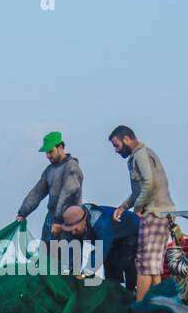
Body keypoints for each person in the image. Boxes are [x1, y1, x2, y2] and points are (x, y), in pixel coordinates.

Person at [109, 125, 175, 300]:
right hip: (159, 212)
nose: (116, 150)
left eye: (116, 145)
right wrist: (123, 207)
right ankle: (157, 303)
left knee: (145, 264)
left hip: (155, 212)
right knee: (153, 265)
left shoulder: (141, 155)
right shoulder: (139, 155)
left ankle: (140, 307)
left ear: (126, 139)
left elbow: (149, 184)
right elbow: (139, 191)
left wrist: (138, 208)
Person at [16, 131, 84, 245]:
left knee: (68, 259)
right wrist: (22, 213)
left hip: (69, 222)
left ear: (61, 147)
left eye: (50, 151)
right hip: (51, 220)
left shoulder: (72, 167)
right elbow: (37, 193)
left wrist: (58, 221)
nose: (48, 155)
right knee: (45, 258)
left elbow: (68, 194)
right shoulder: (49, 171)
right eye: (46, 152)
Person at [62, 203, 139, 291]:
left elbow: (100, 252)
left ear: (84, 221)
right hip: (114, 234)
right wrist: (66, 269)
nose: (73, 233)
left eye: (75, 229)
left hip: (131, 230)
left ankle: (132, 291)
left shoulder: (101, 223)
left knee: (125, 261)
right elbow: (71, 247)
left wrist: (85, 274)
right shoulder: (74, 221)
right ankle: (115, 291)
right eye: (70, 230)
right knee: (109, 264)